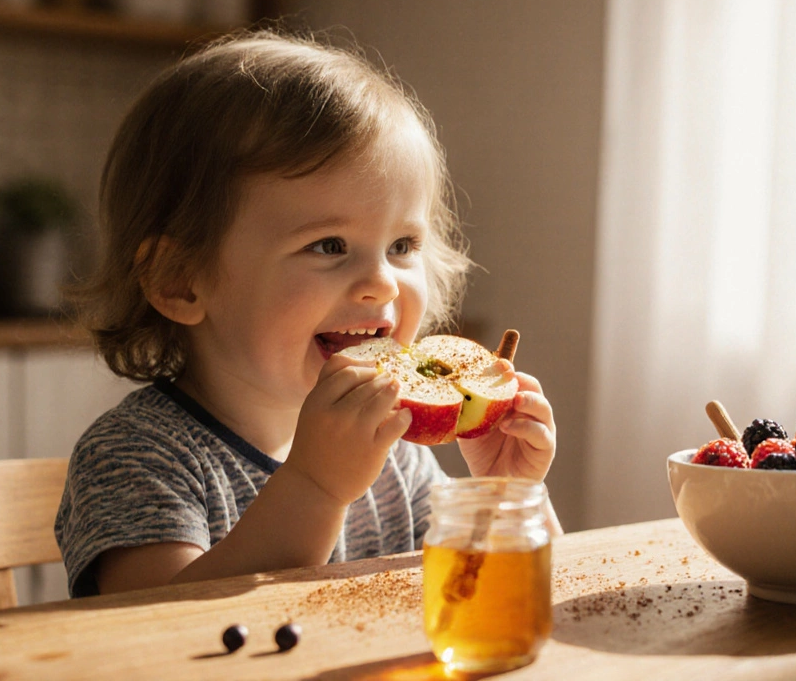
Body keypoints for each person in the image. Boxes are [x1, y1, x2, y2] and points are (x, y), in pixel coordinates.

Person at [54, 30, 561, 597]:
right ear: (181, 280)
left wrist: (505, 496)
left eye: (402, 246)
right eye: (328, 245)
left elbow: (484, 601)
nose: (380, 283)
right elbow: (152, 632)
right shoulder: (137, 455)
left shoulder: (394, 451)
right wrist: (317, 487)